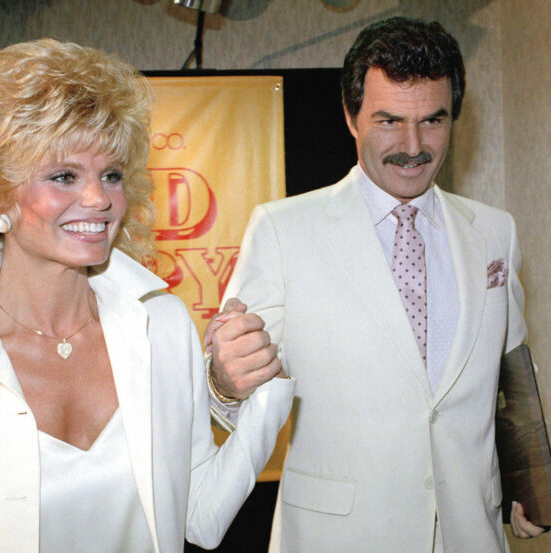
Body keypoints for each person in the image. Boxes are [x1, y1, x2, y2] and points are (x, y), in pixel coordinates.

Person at [0, 39, 294, 553]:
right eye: (64, 176)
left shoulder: (160, 323)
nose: (98, 199)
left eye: (111, 175)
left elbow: (199, 516)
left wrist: (263, 391)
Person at [206, 16, 545, 553]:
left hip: (469, 535)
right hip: (339, 538)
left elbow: (510, 372)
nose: (413, 146)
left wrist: (532, 481)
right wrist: (226, 380)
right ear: (351, 117)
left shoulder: (495, 232)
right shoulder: (282, 228)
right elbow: (235, 400)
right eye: (389, 121)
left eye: (433, 121)